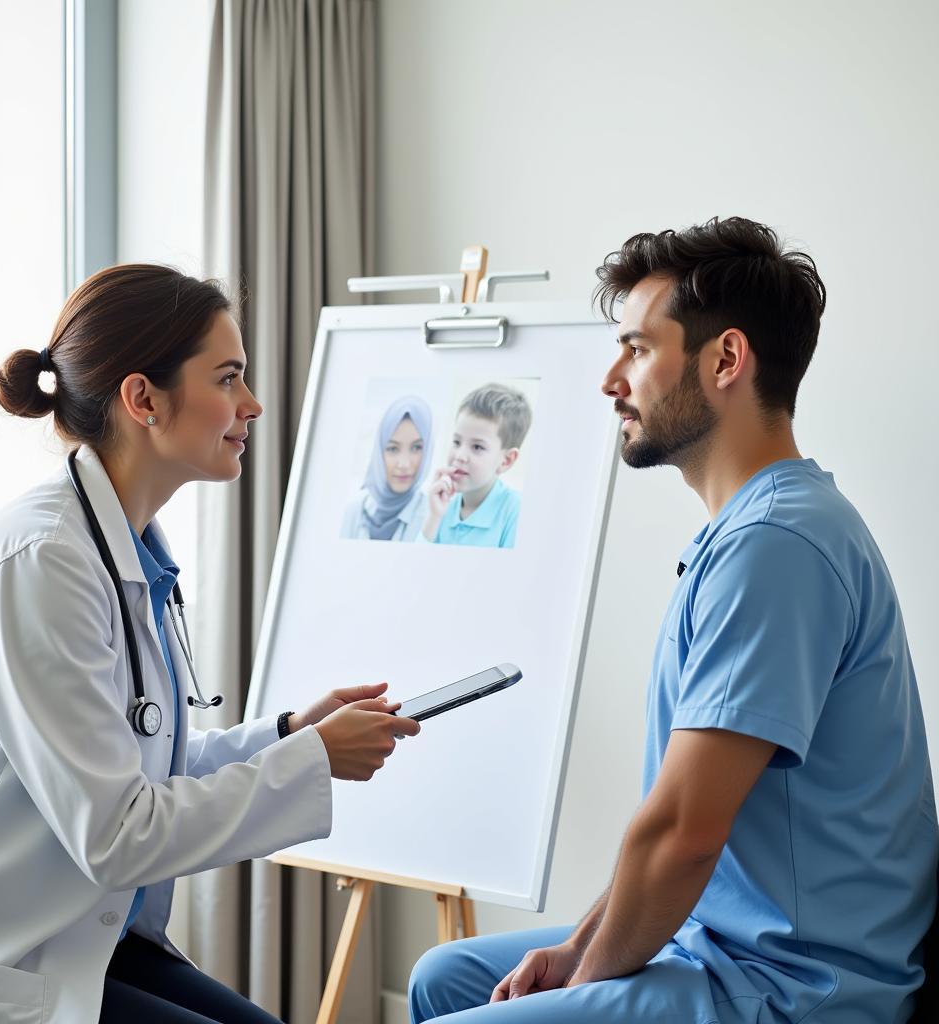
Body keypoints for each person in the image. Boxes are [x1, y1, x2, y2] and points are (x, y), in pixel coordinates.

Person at [408, 217, 938, 1023]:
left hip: (793, 987)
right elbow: (671, 817)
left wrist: (588, 981)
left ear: (726, 359)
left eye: (638, 349)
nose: (611, 379)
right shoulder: (751, 532)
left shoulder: (778, 546)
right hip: (717, 945)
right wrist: (581, 943)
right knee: (446, 977)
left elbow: (685, 833)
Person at [0, 264, 421, 1024]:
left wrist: (287, 735)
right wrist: (313, 761)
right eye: (228, 378)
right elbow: (118, 833)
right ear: (142, 399)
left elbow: (145, 768)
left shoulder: (121, 547)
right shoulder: (42, 561)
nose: (251, 405)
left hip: (83, 936)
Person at [419, 383, 532, 550]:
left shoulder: (516, 512)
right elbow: (414, 568)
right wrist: (434, 516)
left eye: (477, 447)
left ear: (506, 460)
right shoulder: (443, 504)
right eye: (457, 442)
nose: (460, 456)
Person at [340, 395, 433, 541]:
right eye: (393, 449)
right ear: (378, 451)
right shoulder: (353, 512)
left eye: (416, 448)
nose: (404, 464)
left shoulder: (433, 517)